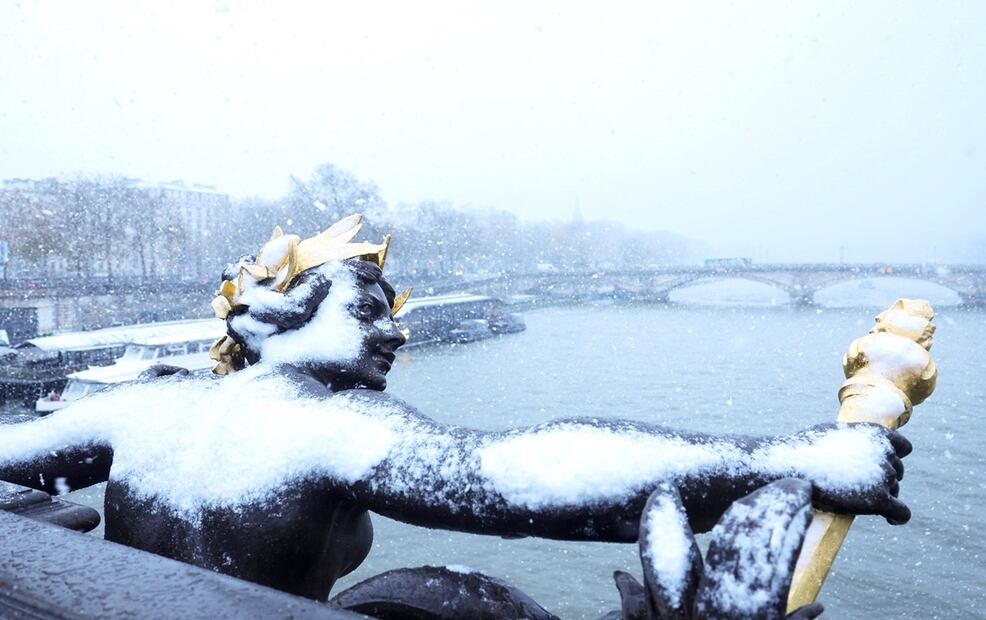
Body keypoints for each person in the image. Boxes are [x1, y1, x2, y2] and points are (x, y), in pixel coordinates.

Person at [0, 215, 910, 603]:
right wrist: (789, 461)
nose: (396, 334)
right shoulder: (325, 423)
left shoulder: (147, 409)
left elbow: (15, 451)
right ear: (271, 319)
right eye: (369, 309)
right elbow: (521, 477)